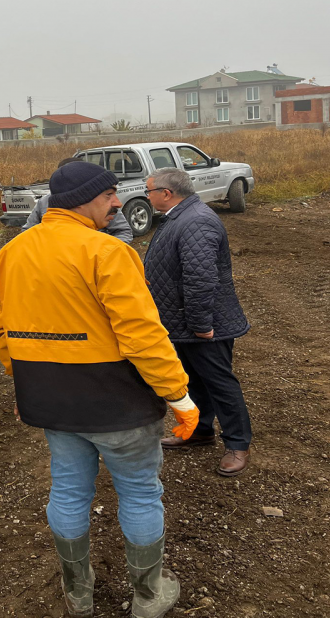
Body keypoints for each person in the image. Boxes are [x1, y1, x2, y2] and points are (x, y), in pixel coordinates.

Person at [0, 161, 199, 618]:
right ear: (82, 200)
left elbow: (4, 330)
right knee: (140, 493)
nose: (118, 203)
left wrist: (24, 385)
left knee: (68, 491)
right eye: (109, 195)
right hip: (116, 402)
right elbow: (143, 336)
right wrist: (179, 397)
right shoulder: (108, 252)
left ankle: (78, 595)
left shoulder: (13, 252)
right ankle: (148, 596)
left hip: (51, 401)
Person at [143, 168, 252, 477]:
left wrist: (201, 324)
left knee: (220, 384)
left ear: (166, 193)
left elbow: (200, 279)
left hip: (203, 324)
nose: (147, 196)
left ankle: (238, 444)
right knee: (194, 380)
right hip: (184, 322)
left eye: (149, 191)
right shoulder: (180, 216)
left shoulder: (196, 221)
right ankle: (200, 431)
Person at [22, 157, 134, 244]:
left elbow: (123, 231)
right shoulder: (44, 202)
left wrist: (104, 251)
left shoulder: (102, 203)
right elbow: (28, 232)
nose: (118, 203)